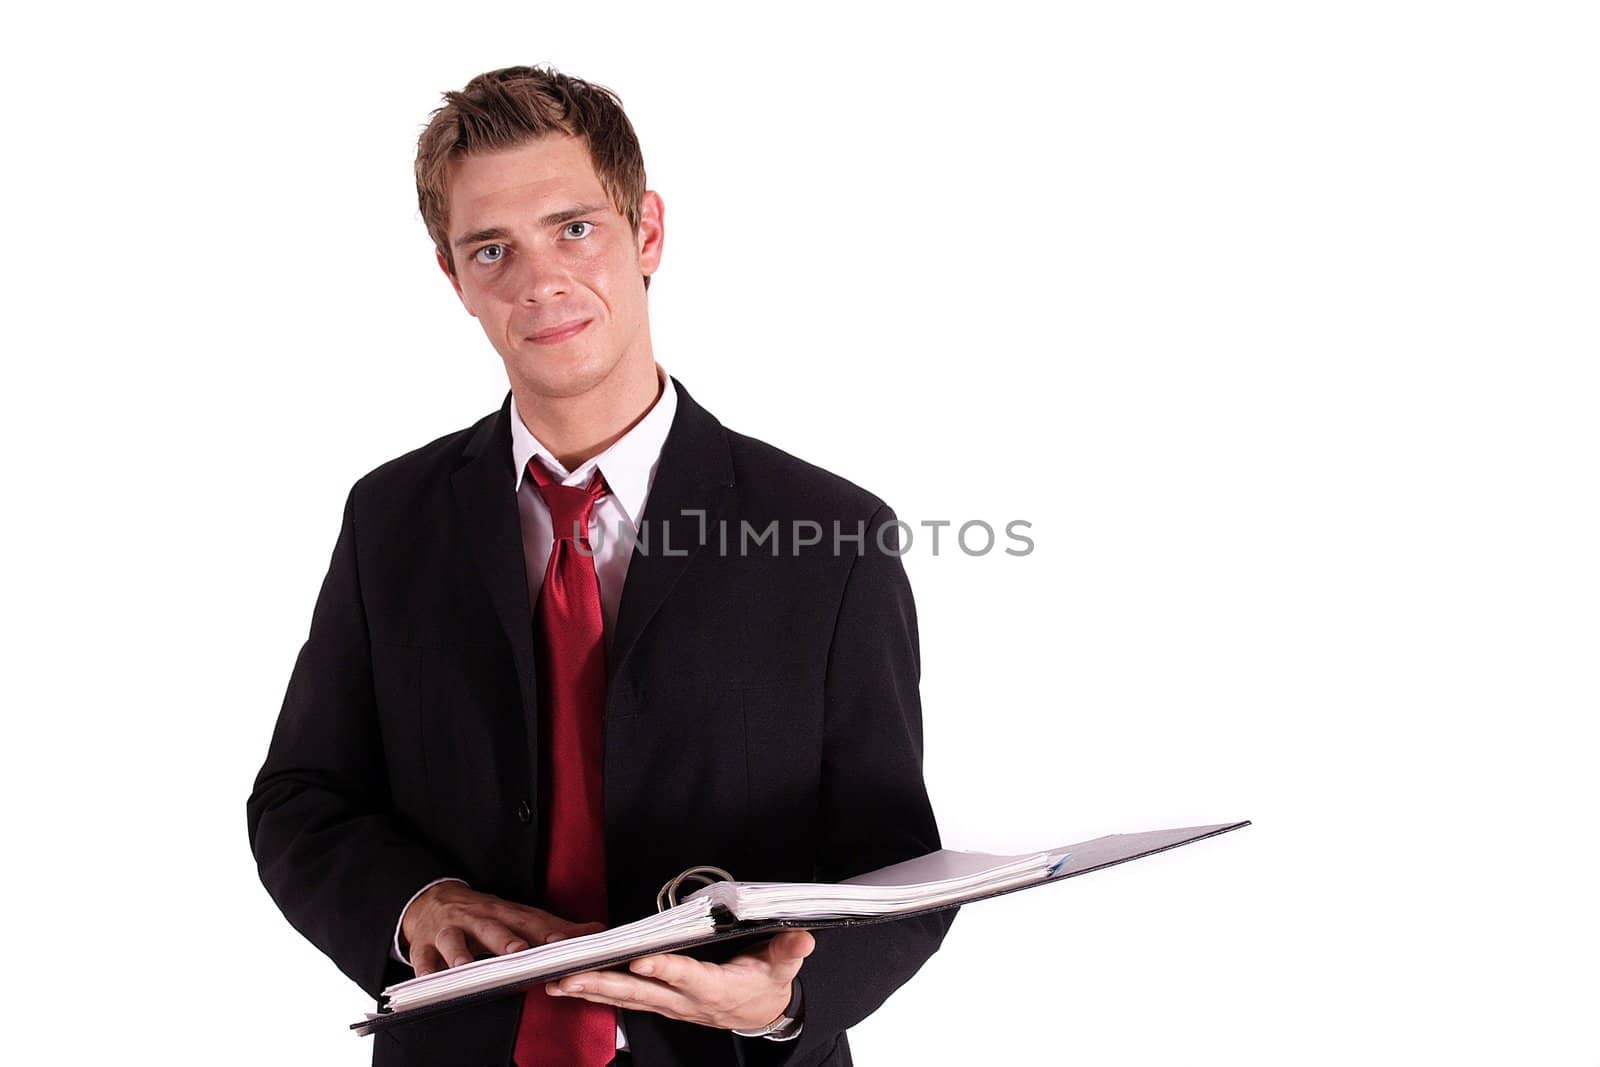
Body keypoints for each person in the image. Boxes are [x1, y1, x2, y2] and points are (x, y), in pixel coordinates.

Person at [247, 65, 953, 1067]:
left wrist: (780, 997)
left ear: (647, 232)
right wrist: (416, 904)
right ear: (453, 276)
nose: (539, 280)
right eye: (493, 248)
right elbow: (302, 796)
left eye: (574, 228)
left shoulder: (830, 534)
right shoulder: (390, 518)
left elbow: (900, 868)